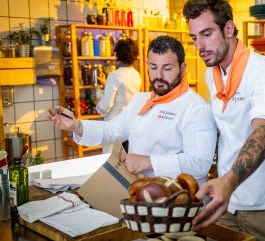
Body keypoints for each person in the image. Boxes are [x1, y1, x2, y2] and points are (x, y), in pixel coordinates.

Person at [183, 0, 265, 241]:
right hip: (227, 201)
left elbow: (264, 132)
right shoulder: (211, 74)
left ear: (228, 28)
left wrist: (228, 181)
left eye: (207, 33)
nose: (200, 45)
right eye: (194, 37)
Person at [47, 35, 217, 188]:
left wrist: (148, 162)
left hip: (179, 201)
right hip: (140, 194)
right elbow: (113, 130)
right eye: (153, 67)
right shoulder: (140, 100)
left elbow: (199, 163)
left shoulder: (197, 109)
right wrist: (76, 125)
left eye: (167, 68)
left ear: (183, 67)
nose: (159, 75)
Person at [96, 37, 141, 153]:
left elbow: (105, 107)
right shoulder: (136, 75)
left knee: (110, 162)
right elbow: (124, 92)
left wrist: (98, 99)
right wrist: (107, 84)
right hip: (130, 126)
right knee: (126, 163)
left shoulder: (114, 75)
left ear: (118, 54)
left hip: (114, 126)